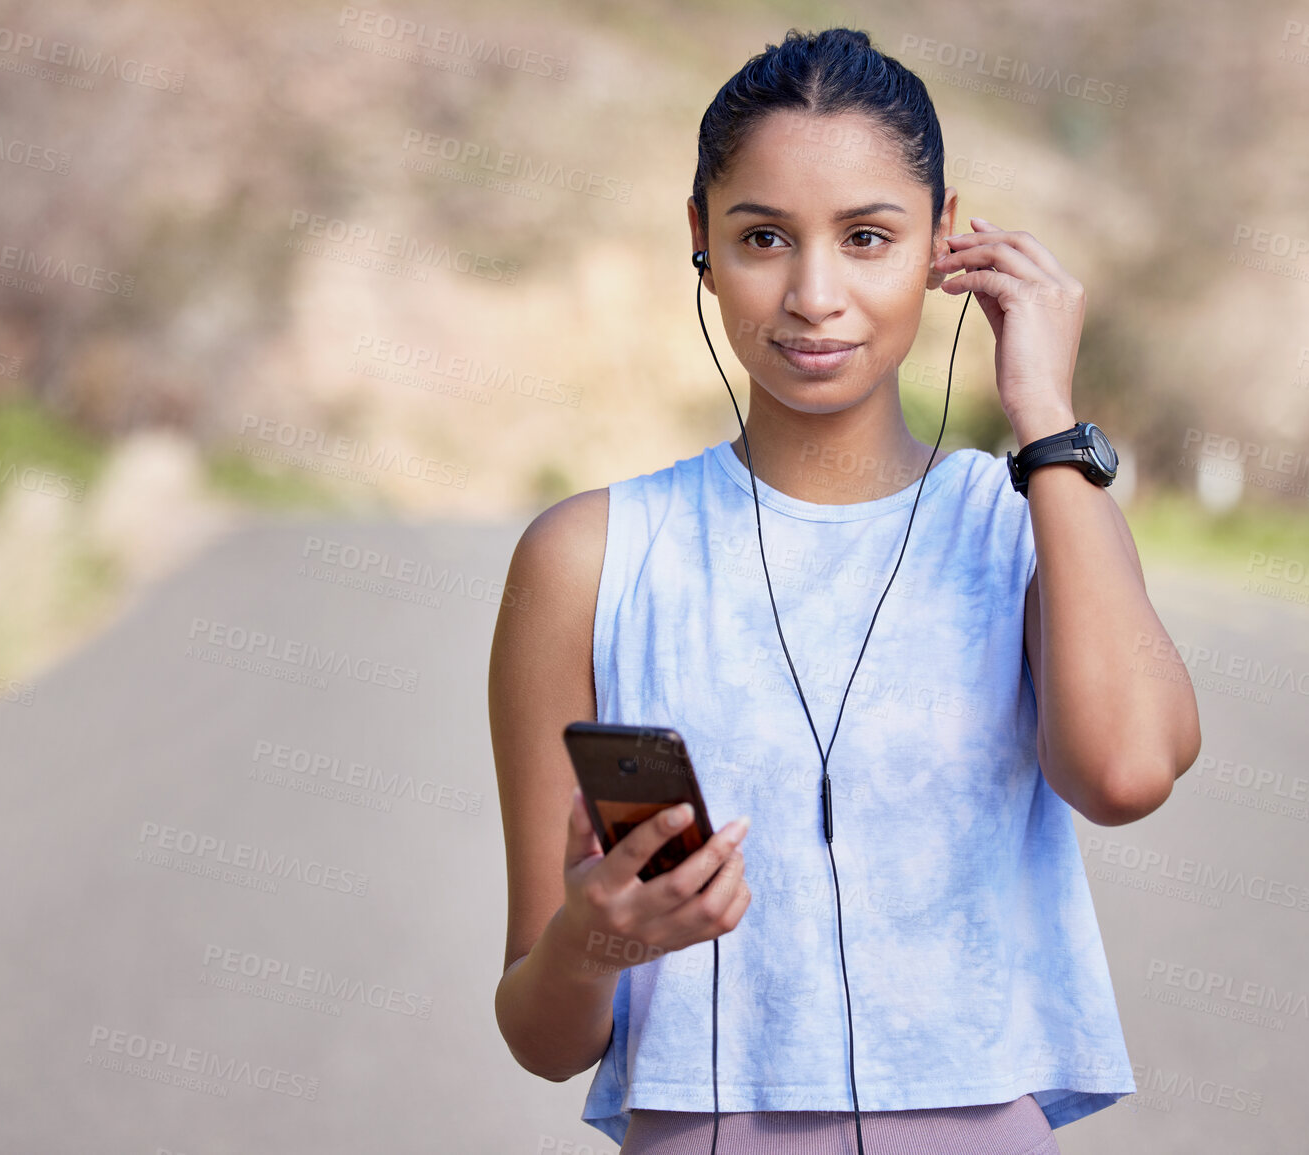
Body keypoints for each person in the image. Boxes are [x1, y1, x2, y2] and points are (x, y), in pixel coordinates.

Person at [489, 26, 1202, 1154]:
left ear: (944, 238)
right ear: (701, 241)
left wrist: (1048, 421)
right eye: (764, 236)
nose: (815, 295)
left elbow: (1124, 772)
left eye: (868, 237)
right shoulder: (589, 557)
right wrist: (598, 937)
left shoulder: (1023, 519)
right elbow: (541, 1034)